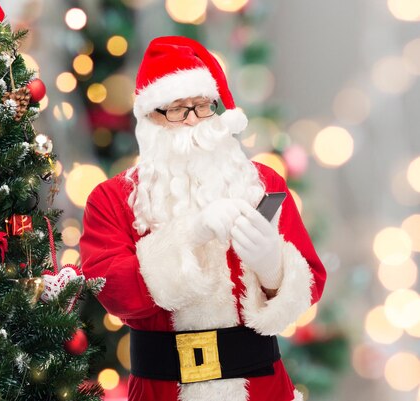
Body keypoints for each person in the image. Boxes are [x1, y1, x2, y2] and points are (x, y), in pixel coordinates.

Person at [79, 36, 327, 401]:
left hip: (261, 387)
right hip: (163, 389)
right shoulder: (112, 199)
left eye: (202, 106)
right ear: (150, 118)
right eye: (178, 109)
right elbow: (114, 293)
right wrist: (188, 236)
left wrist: (274, 268)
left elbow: (310, 281)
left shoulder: (263, 183)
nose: (194, 120)